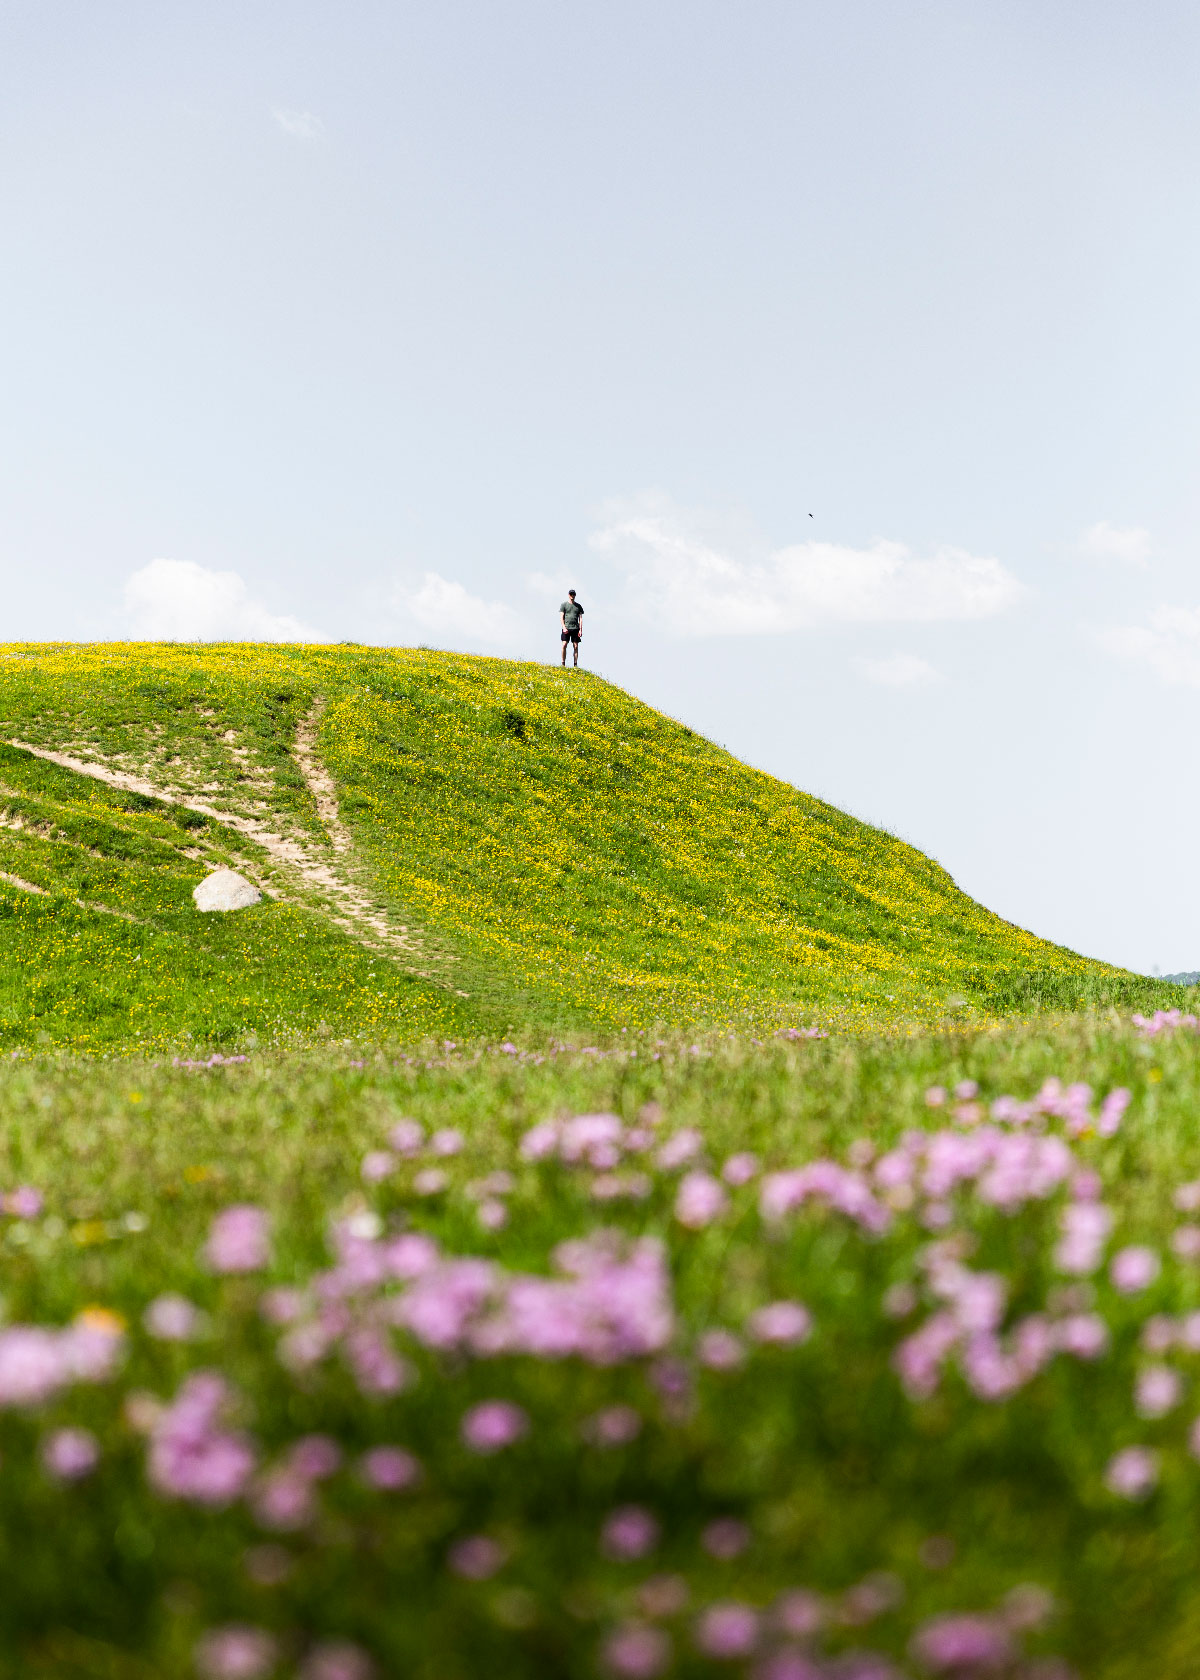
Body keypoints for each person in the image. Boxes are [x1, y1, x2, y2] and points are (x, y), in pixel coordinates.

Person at [559, 589, 584, 666]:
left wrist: (580, 630)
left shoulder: (578, 606)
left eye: (573, 594)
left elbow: (581, 618)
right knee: (564, 644)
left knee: (575, 646)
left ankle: (575, 664)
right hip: (566, 627)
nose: (572, 596)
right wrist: (564, 627)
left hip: (575, 628)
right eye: (571, 594)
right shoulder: (564, 605)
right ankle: (563, 663)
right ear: (568, 595)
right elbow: (561, 617)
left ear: (575, 595)